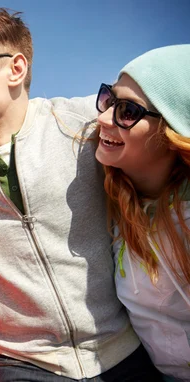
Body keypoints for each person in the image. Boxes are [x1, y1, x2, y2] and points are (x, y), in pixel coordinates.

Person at [0, 5, 161, 381]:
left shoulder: (86, 122)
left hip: (124, 352)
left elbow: (167, 122)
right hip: (25, 364)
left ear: (15, 68)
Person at [95, 45, 190, 381]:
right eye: (108, 99)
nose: (103, 118)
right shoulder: (110, 193)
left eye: (128, 111)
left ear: (172, 131)